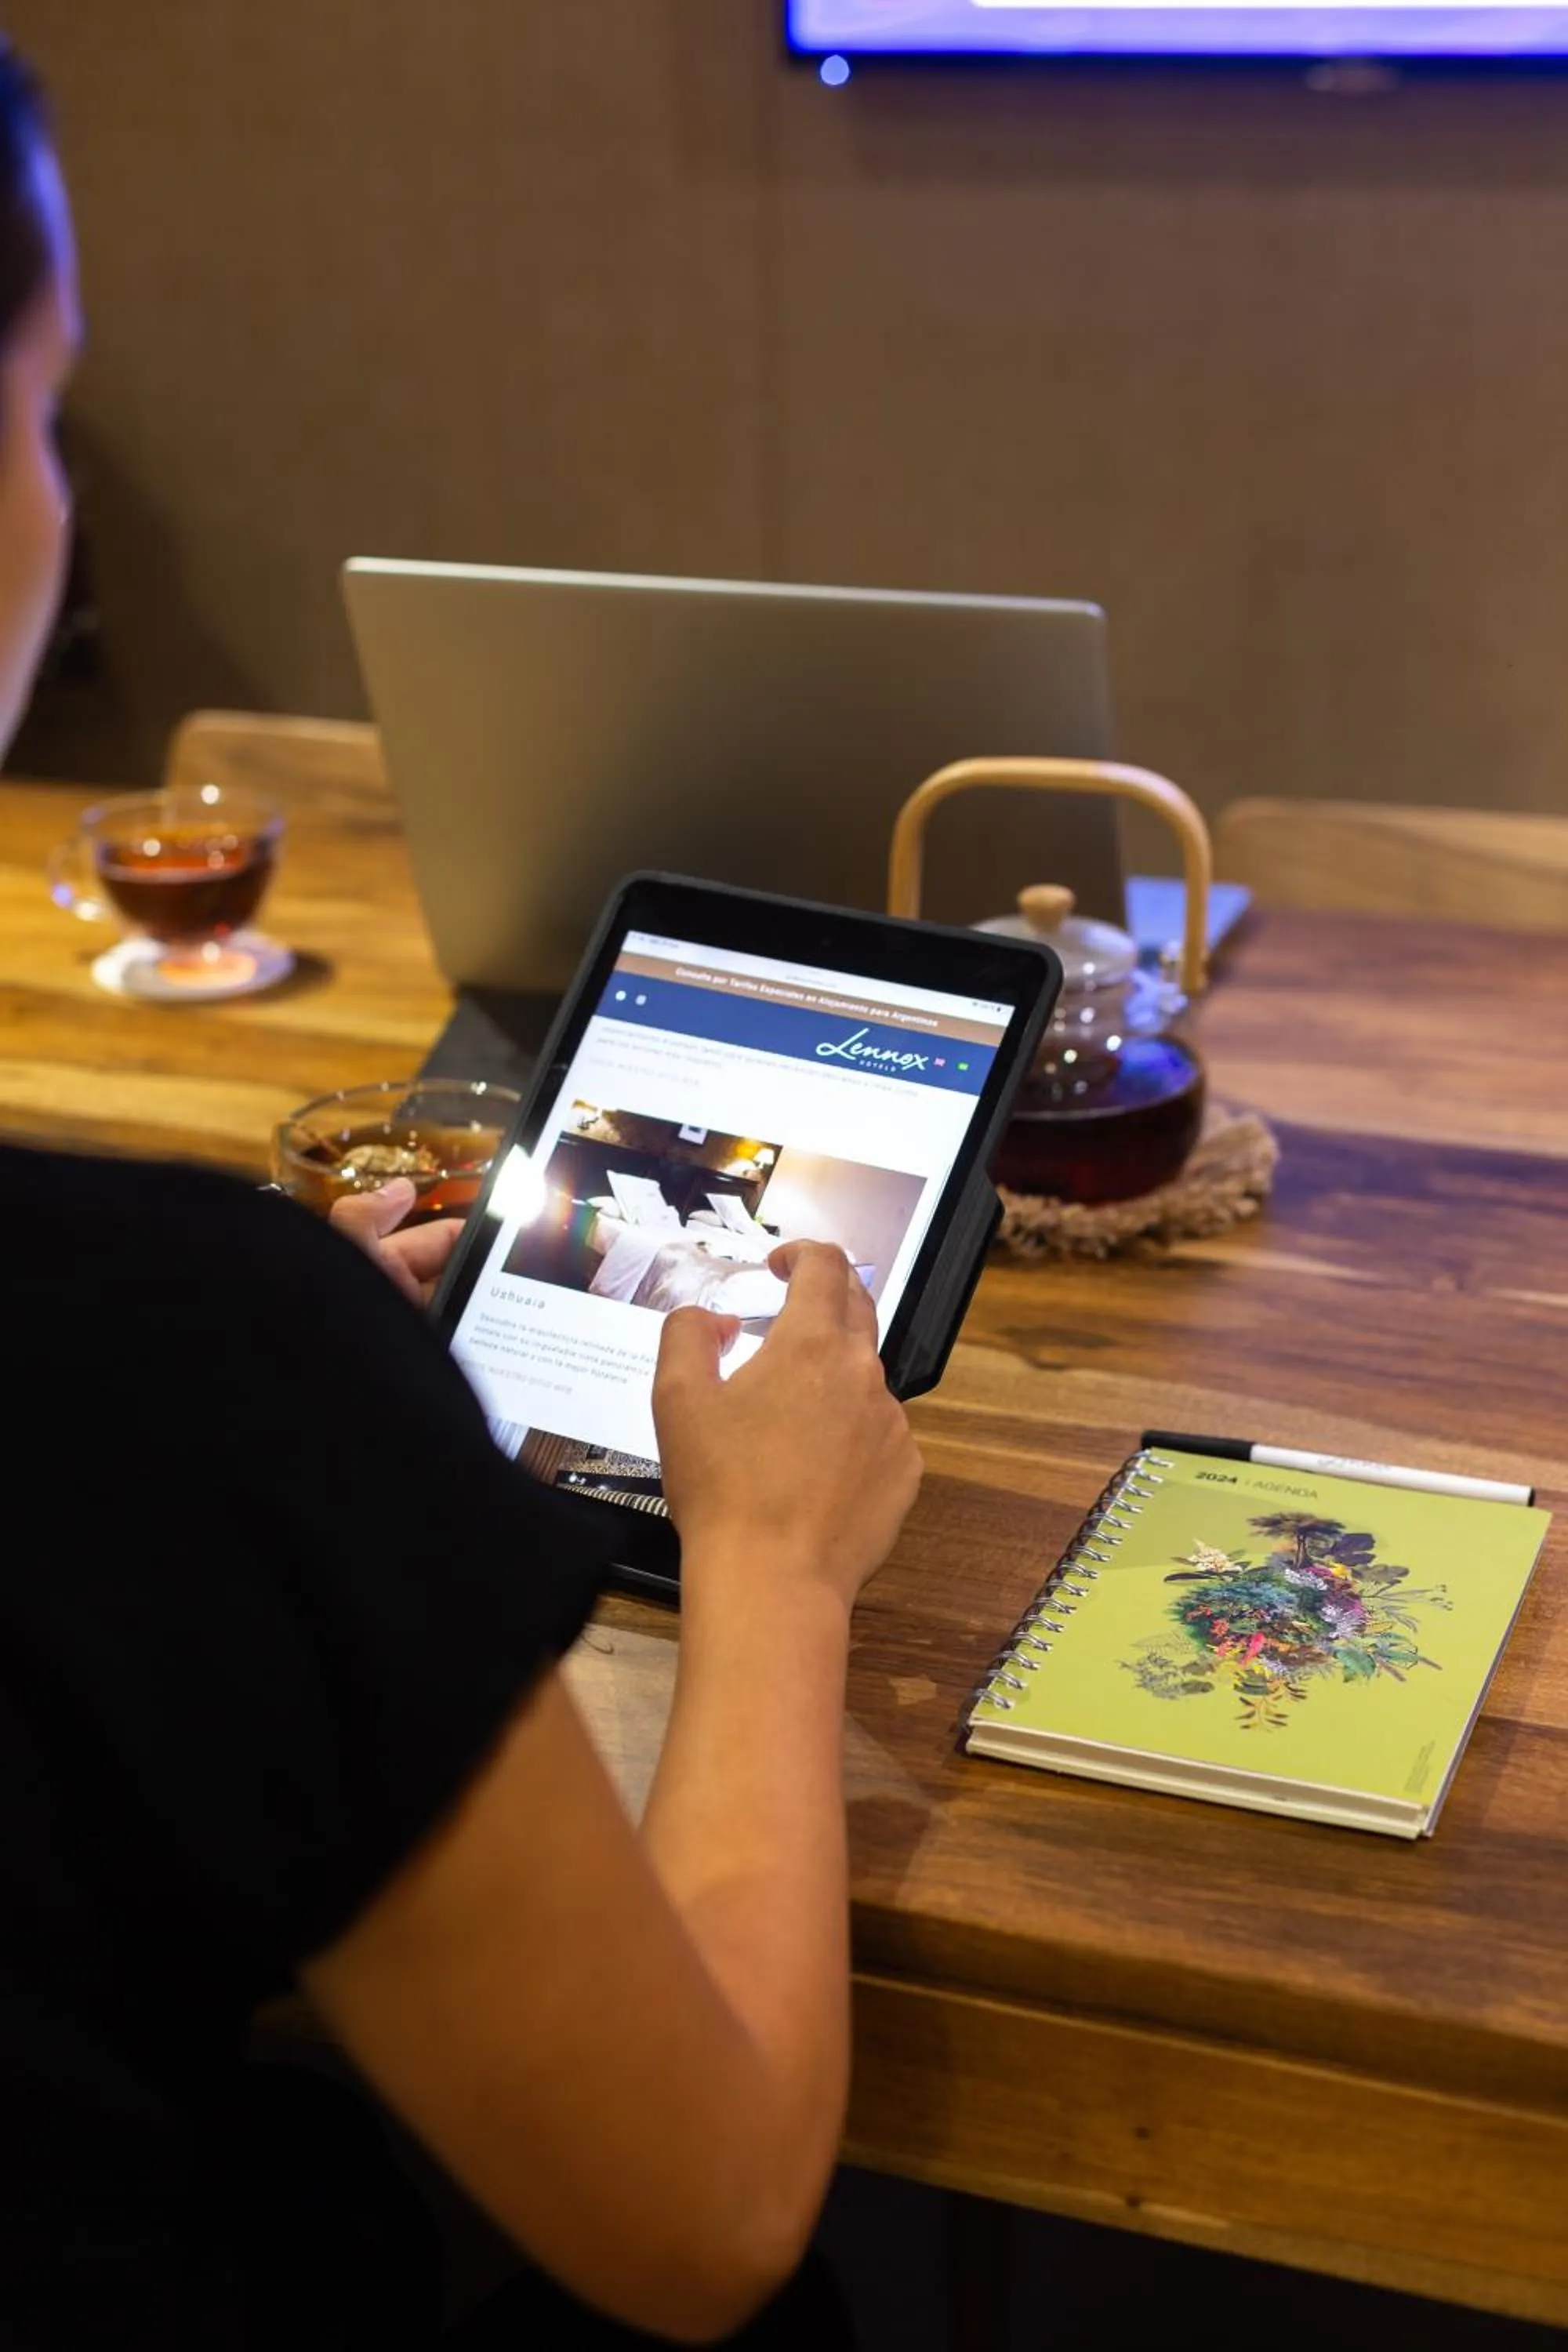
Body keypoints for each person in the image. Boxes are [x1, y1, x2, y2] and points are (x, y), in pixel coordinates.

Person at [0, 42, 923, 2349]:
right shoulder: (177, 1359)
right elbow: (703, 2222)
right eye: (44, 409)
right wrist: (776, 1560)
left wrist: (256, 1445)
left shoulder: (192, 1370)